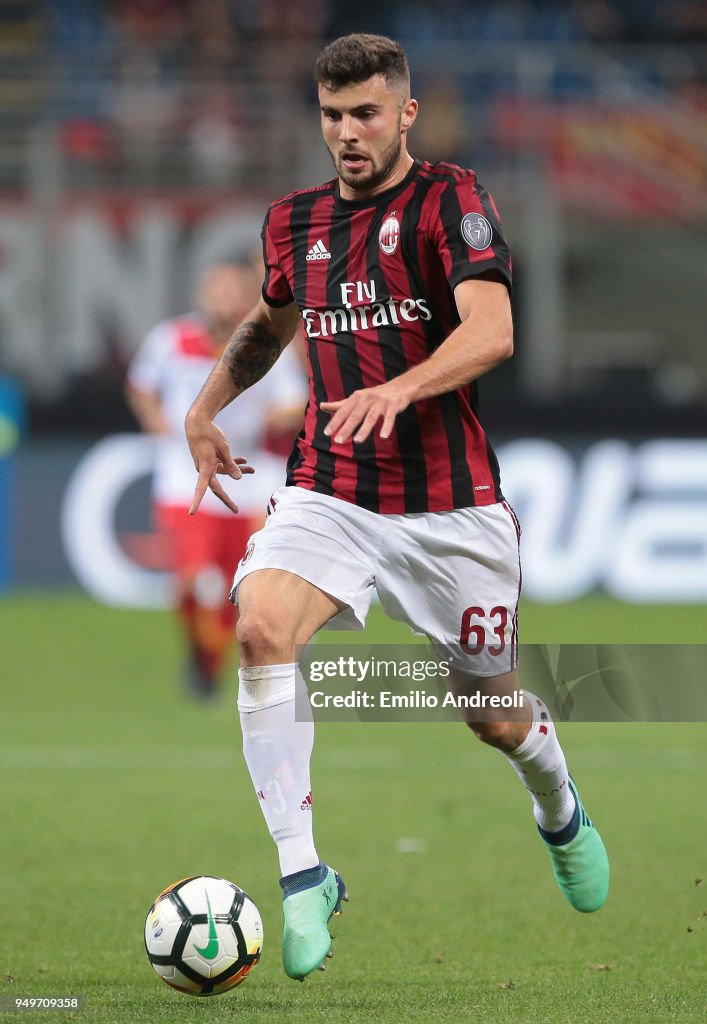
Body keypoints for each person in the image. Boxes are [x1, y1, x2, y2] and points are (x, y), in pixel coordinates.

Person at [185, 34, 610, 979]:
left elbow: (491, 330)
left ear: (404, 113)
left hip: (451, 511)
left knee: (490, 716)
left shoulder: (449, 200)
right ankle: (304, 879)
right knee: (259, 632)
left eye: (366, 113)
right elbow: (269, 322)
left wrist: (403, 387)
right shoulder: (292, 221)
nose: (348, 132)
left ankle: (557, 802)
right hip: (331, 491)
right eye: (333, 115)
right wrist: (208, 405)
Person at [126, 260, 306, 696]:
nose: (222, 300)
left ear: (247, 298)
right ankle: (200, 651)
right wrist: (154, 422)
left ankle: (215, 661)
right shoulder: (171, 339)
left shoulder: (262, 343)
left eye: (232, 291)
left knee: (240, 587)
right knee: (191, 579)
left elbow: (296, 401)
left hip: (248, 477)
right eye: (216, 289)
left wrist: (267, 414)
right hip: (182, 476)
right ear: (202, 295)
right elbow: (140, 385)